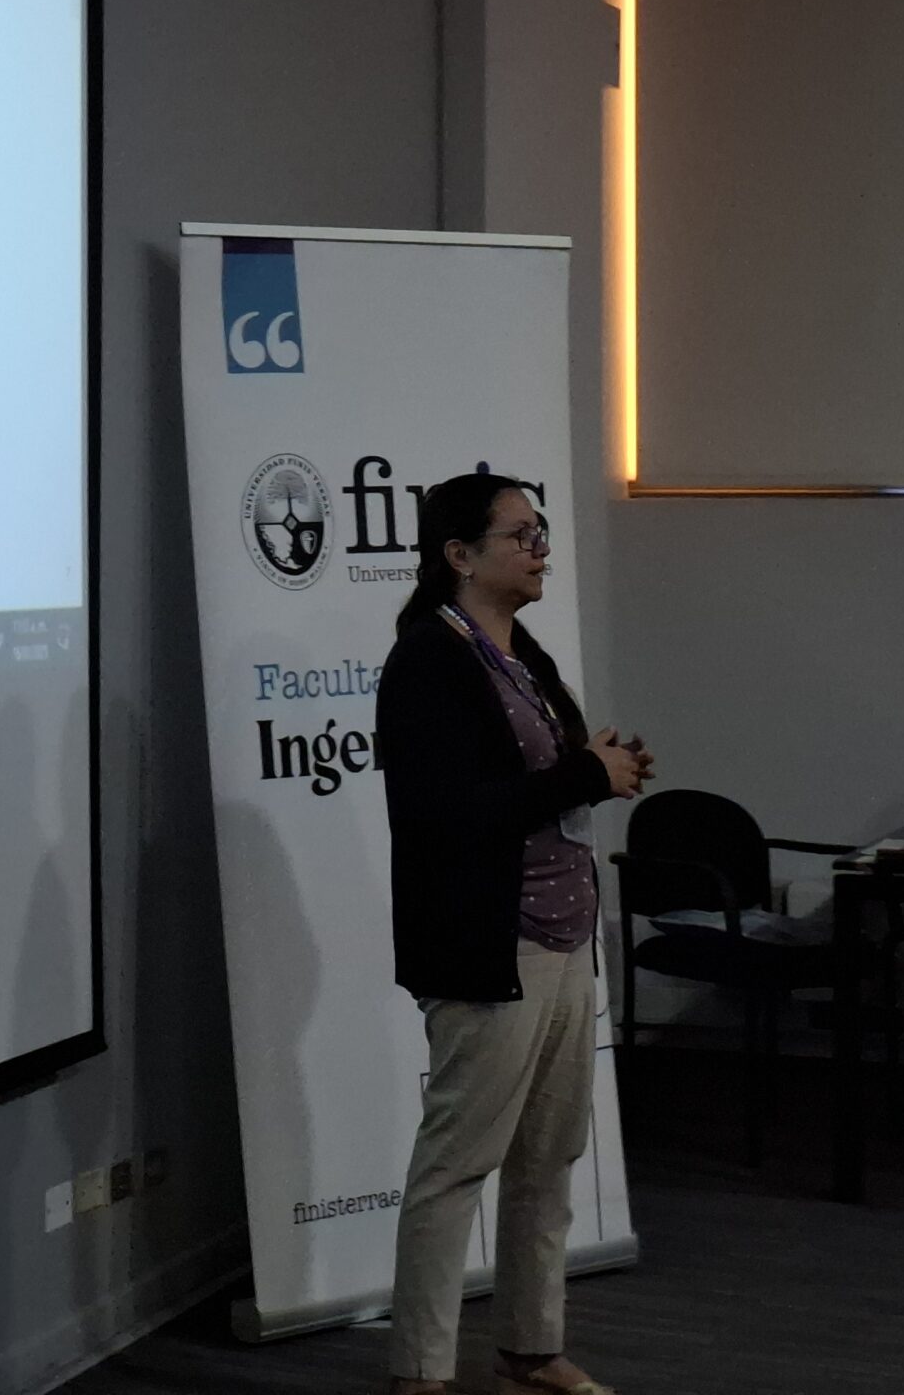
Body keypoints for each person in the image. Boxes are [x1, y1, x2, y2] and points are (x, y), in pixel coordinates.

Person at [376, 472, 652, 1395]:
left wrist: (603, 768)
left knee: (547, 1158)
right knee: (457, 1166)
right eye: (520, 536)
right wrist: (583, 776)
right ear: (459, 555)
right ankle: (421, 1373)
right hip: (490, 944)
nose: (541, 550)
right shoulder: (429, 660)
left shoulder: (519, 651)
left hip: (564, 938)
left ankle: (531, 1350)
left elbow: (544, 780)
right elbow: (444, 814)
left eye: (541, 534)